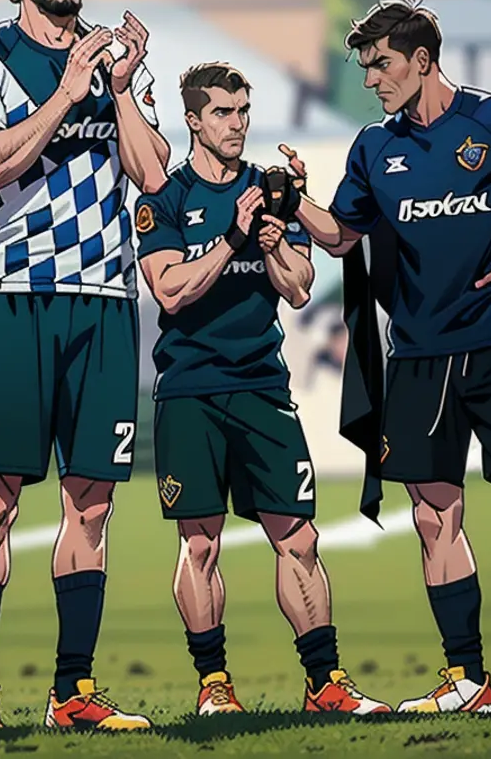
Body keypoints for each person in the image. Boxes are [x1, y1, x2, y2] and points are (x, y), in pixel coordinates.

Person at [0, 0, 170, 731]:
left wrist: (114, 87)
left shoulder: (107, 60)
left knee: (93, 506)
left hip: (106, 304)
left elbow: (151, 174)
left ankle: (73, 692)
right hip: (20, 298)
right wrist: (66, 92)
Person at [134, 62, 390, 717]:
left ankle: (324, 684)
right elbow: (169, 289)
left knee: (298, 537)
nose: (237, 123)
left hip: (262, 386)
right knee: (200, 542)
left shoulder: (272, 192)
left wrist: (275, 242)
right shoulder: (160, 199)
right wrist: (233, 237)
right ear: (193, 120)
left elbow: (301, 286)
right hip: (189, 388)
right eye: (223, 112)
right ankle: (214, 685)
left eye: (244, 110)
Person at [290, 0, 491, 714]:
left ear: (422, 59)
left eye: (382, 64)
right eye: (365, 66)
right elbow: (342, 238)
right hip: (417, 353)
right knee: (434, 515)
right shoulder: (374, 148)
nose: (372, 78)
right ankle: (469, 679)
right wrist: (294, 202)